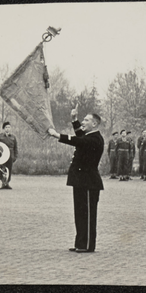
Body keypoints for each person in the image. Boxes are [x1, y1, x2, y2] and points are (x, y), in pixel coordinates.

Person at [47, 106, 105, 253]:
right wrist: (74, 120)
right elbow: (80, 136)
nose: (83, 123)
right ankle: (80, 243)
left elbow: (77, 141)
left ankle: (87, 245)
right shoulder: (89, 136)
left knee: (87, 215)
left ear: (94, 124)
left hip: (88, 182)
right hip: (81, 181)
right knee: (80, 214)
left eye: (86, 120)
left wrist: (57, 135)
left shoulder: (95, 139)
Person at [0, 121, 18, 189]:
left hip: (10, 155)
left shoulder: (13, 137)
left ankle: (7, 183)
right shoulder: (0, 136)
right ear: (4, 128)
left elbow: (15, 148)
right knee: (2, 168)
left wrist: (15, 157)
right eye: (6, 127)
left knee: (9, 169)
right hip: (2, 155)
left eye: (9, 127)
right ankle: (2, 182)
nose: (8, 129)